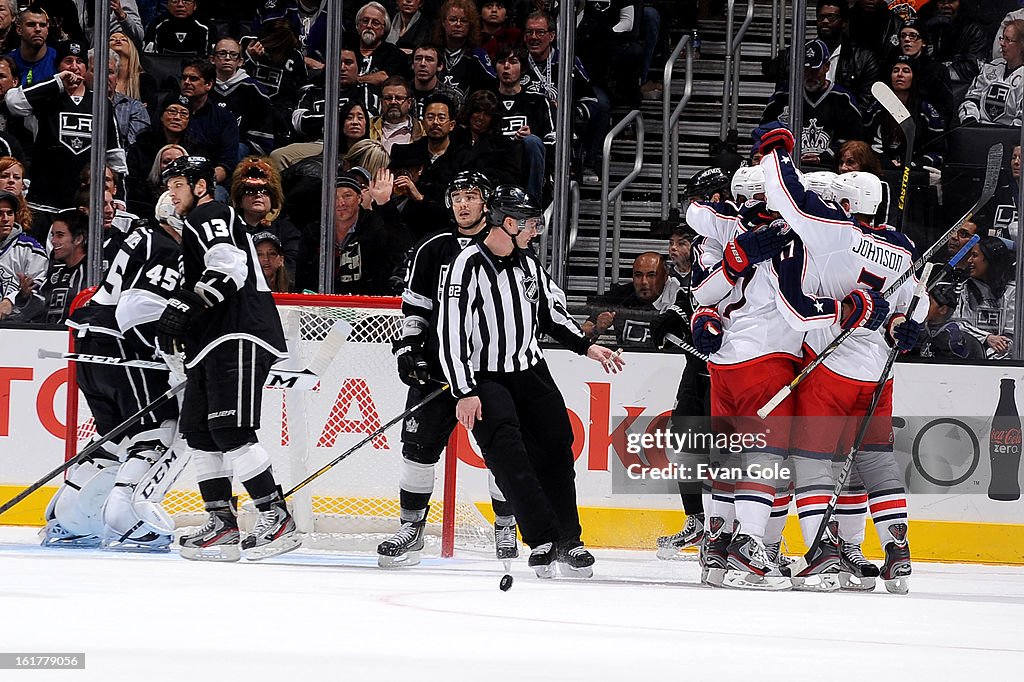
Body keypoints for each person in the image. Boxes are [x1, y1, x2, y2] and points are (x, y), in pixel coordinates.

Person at [761, 129, 925, 594]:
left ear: (848, 204)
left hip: (831, 368)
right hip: (877, 375)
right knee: (874, 461)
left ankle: (823, 555)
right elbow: (907, 315)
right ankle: (896, 552)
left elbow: (792, 202)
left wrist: (777, 154)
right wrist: (902, 328)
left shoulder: (838, 236)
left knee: (812, 463)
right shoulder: (905, 248)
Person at [437, 184, 625, 578]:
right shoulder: (466, 264)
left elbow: (550, 315)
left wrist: (586, 346)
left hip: (530, 371)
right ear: (508, 222)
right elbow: (450, 330)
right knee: (508, 453)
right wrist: (464, 391)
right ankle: (542, 538)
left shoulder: (527, 263)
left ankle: (569, 541)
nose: (536, 230)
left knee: (557, 448)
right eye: (531, 224)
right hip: (486, 378)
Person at [155, 155, 297, 562]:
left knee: (231, 431)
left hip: (237, 334)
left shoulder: (212, 212)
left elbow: (229, 267)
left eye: (179, 184)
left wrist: (187, 306)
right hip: (212, 340)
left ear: (200, 186)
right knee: (200, 432)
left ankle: (276, 516)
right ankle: (222, 523)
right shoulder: (194, 225)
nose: (172, 192)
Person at [377, 171, 518, 567]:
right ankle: (411, 528)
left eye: (471, 196)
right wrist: (408, 349)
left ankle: (505, 526)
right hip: (439, 370)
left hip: (489, 371)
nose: (463, 203)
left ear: (485, 202)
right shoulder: (433, 249)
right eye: (457, 195)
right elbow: (416, 308)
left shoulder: (504, 246)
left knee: (500, 453)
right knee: (417, 451)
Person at [44, 202, 184, 550]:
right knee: (158, 431)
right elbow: (139, 309)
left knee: (116, 437)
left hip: (89, 338)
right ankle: (130, 519)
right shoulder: (167, 248)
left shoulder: (139, 236)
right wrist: (167, 356)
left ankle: (69, 518)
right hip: (120, 346)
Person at [5, 39, 127, 220]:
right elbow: (13, 102)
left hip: (84, 203)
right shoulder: (46, 96)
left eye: (80, 62)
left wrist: (121, 198)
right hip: (44, 202)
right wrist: (56, 83)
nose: (74, 67)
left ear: (87, 68)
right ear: (58, 67)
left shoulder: (101, 102)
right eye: (68, 61)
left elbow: (115, 154)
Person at [760, 40, 863, 168]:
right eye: (806, 69)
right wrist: (786, 153)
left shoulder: (842, 99)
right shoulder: (783, 96)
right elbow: (764, 132)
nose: (810, 75)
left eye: (815, 69)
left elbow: (854, 140)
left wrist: (825, 156)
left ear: (827, 66)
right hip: (788, 168)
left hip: (830, 170)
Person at [229, 155, 300, 281]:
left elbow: (291, 271)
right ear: (239, 200)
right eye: (250, 191)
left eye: (264, 191)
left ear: (273, 198)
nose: (258, 195)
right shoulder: (229, 229)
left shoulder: (287, 231)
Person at [582, 251, 669, 347]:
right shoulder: (619, 295)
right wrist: (597, 329)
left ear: (665, 277)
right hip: (625, 359)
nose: (644, 281)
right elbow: (584, 331)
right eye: (638, 275)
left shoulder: (677, 297)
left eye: (651, 275)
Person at [16, 208, 87, 323]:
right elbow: (37, 315)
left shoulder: (94, 275)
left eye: (60, 235)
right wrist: (25, 296)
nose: (53, 241)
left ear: (78, 239)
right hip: (50, 339)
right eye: (53, 235)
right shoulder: (54, 274)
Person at [211, 37, 275, 156]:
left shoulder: (255, 90)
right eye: (222, 53)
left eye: (233, 54)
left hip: (241, 146)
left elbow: (262, 133)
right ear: (212, 59)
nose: (228, 58)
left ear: (240, 61)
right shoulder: (204, 85)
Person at [959, 19, 1024, 126]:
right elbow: (971, 99)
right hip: (978, 131)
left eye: (1008, 40)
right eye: (1002, 38)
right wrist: (970, 120)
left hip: (1009, 137)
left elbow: (1021, 121)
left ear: (1022, 44)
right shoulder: (991, 67)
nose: (1002, 44)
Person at [0, 189, 45, 320]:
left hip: (20, 329)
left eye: (10, 213)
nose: (6, 219)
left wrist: (13, 299)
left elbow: (41, 294)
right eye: (0, 214)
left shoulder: (30, 249)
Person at [370, 75, 425, 153]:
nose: (393, 102)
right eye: (388, 98)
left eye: (399, 98)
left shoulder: (423, 130)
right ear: (381, 102)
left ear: (409, 103)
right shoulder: (369, 127)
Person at [143, 0, 215, 56]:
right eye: (175, 1)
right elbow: (149, 59)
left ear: (195, 5)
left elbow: (212, 59)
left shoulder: (207, 27)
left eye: (186, 1)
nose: (180, 5)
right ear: (167, 5)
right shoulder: (156, 25)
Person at [8, 6, 58, 87]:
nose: (38, 29)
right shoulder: (8, 63)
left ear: (47, 30)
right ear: (19, 30)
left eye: (42, 25)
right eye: (31, 24)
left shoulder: (58, 59)